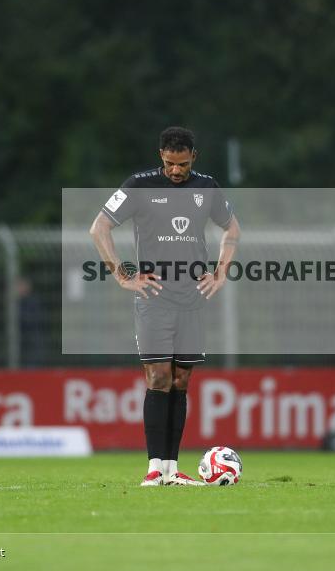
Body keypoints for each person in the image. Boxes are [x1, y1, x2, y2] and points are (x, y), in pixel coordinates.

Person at [89, 126, 241, 486]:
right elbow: (99, 228)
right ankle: (154, 468)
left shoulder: (206, 187)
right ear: (161, 156)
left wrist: (220, 273)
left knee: (181, 380)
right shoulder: (139, 186)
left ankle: (172, 470)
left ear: (194, 158)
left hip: (192, 299)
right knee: (158, 378)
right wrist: (122, 274)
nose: (176, 171)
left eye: (183, 164)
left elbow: (232, 229)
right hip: (154, 298)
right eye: (171, 164)